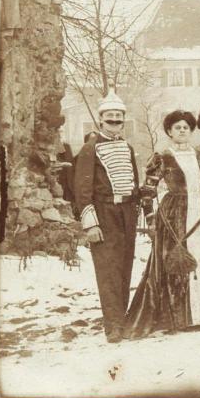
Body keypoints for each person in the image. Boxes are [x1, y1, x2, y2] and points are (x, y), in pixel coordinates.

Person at [126, 110, 200, 337]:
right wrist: (151, 220)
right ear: (170, 132)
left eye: (186, 128)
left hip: (199, 213)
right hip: (174, 213)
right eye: (177, 128)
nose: (182, 131)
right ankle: (177, 317)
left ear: (191, 131)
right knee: (175, 262)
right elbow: (148, 191)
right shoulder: (163, 157)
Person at [73, 85, 140, 343]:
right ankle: (112, 325)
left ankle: (121, 319)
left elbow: (132, 180)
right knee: (107, 269)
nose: (114, 122)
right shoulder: (91, 148)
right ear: (100, 119)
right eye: (109, 118)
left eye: (118, 118)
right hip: (104, 212)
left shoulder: (127, 147)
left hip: (126, 213)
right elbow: (82, 189)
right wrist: (91, 224)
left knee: (125, 266)